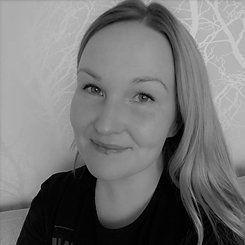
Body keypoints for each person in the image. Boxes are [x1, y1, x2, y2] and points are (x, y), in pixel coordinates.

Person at [16, 0, 245, 244]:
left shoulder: (211, 233)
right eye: (93, 88)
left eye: (143, 96)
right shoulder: (54, 200)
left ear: (177, 120)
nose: (105, 125)